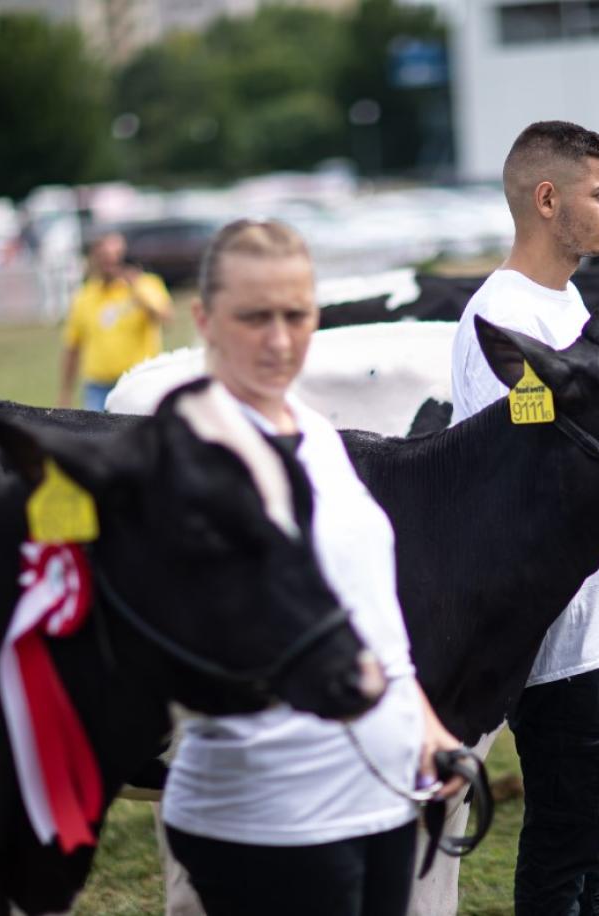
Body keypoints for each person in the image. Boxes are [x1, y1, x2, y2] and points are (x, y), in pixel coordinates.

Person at [161, 219, 465, 916]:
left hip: (381, 794)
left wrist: (422, 722)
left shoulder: (311, 430)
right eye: (253, 317)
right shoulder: (183, 457)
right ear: (204, 318)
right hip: (273, 816)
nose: (277, 340)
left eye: (295, 315)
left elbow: (367, 616)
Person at [449, 121, 599, 915]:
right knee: (562, 860)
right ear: (548, 199)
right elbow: (529, 484)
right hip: (566, 641)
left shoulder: (567, 302)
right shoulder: (500, 323)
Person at [58, 231, 173, 411]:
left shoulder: (146, 284)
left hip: (138, 382)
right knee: (97, 437)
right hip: (98, 386)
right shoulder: (84, 296)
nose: (109, 263)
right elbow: (73, 347)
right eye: (103, 257)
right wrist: (66, 392)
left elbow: (165, 318)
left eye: (114, 257)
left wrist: (136, 289)